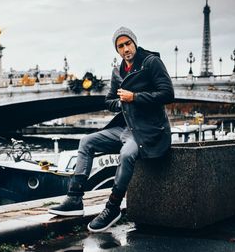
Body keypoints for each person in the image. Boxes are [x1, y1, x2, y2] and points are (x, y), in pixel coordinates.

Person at [48, 27, 174, 232]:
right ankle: (74, 199)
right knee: (86, 142)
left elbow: (167, 94)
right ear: (117, 50)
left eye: (128, 44)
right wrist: (122, 103)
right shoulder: (117, 71)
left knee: (126, 155)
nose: (126, 49)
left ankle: (112, 207)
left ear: (135, 42)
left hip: (147, 130)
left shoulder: (151, 63)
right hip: (125, 127)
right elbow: (109, 101)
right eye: (120, 46)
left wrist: (134, 97)